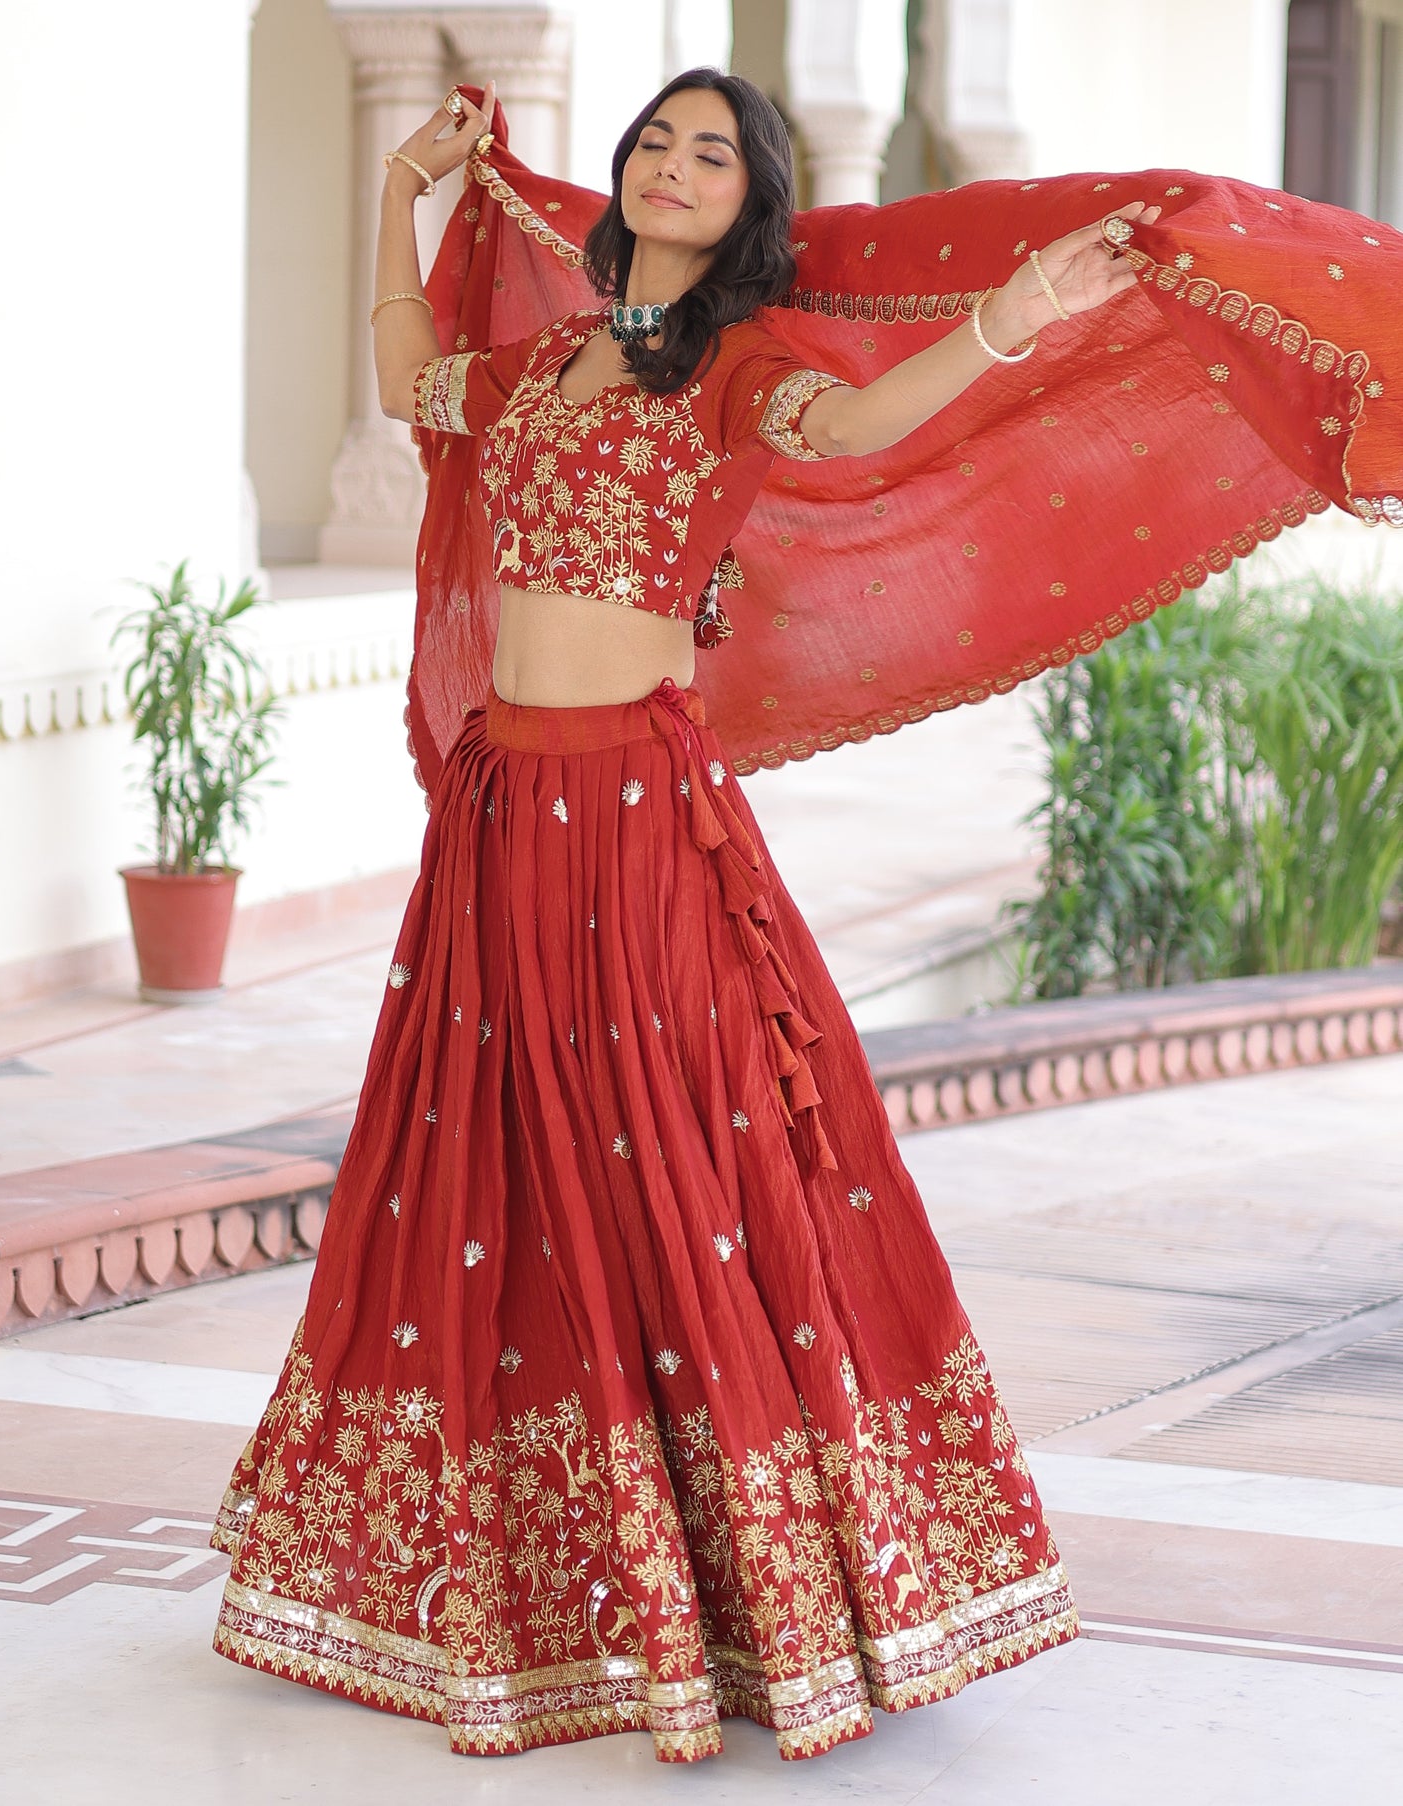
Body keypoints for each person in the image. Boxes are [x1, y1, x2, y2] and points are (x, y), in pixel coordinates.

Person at [207, 65, 1390, 1763]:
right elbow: (406, 378)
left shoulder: (736, 366)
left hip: (632, 808)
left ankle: (742, 1580)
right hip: (500, 808)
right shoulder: (546, 360)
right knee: (494, 1156)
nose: (673, 165)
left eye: (711, 152)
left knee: (676, 1147)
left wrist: (1011, 316)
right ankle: (524, 1573)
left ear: (750, 201)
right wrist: (399, 186)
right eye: (654, 142)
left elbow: (854, 426)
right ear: (617, 181)